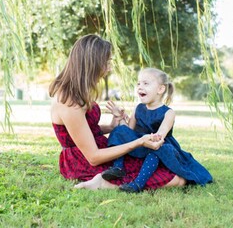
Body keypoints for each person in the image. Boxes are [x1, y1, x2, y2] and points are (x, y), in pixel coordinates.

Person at [49, 34, 186, 190]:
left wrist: (111, 127)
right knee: (176, 179)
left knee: (169, 168)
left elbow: (82, 131)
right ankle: (103, 182)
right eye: (106, 62)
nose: (110, 67)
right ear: (93, 63)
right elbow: (93, 157)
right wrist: (138, 142)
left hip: (101, 149)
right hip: (83, 160)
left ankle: (107, 179)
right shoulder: (68, 102)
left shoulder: (79, 92)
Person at [100, 67, 213, 193]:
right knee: (119, 130)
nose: (140, 87)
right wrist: (119, 117)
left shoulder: (168, 113)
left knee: (159, 149)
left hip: (158, 146)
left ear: (160, 89)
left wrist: (149, 140)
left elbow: (159, 138)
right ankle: (118, 168)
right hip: (140, 144)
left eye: (146, 83)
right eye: (138, 83)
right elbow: (128, 131)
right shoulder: (138, 108)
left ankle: (137, 184)